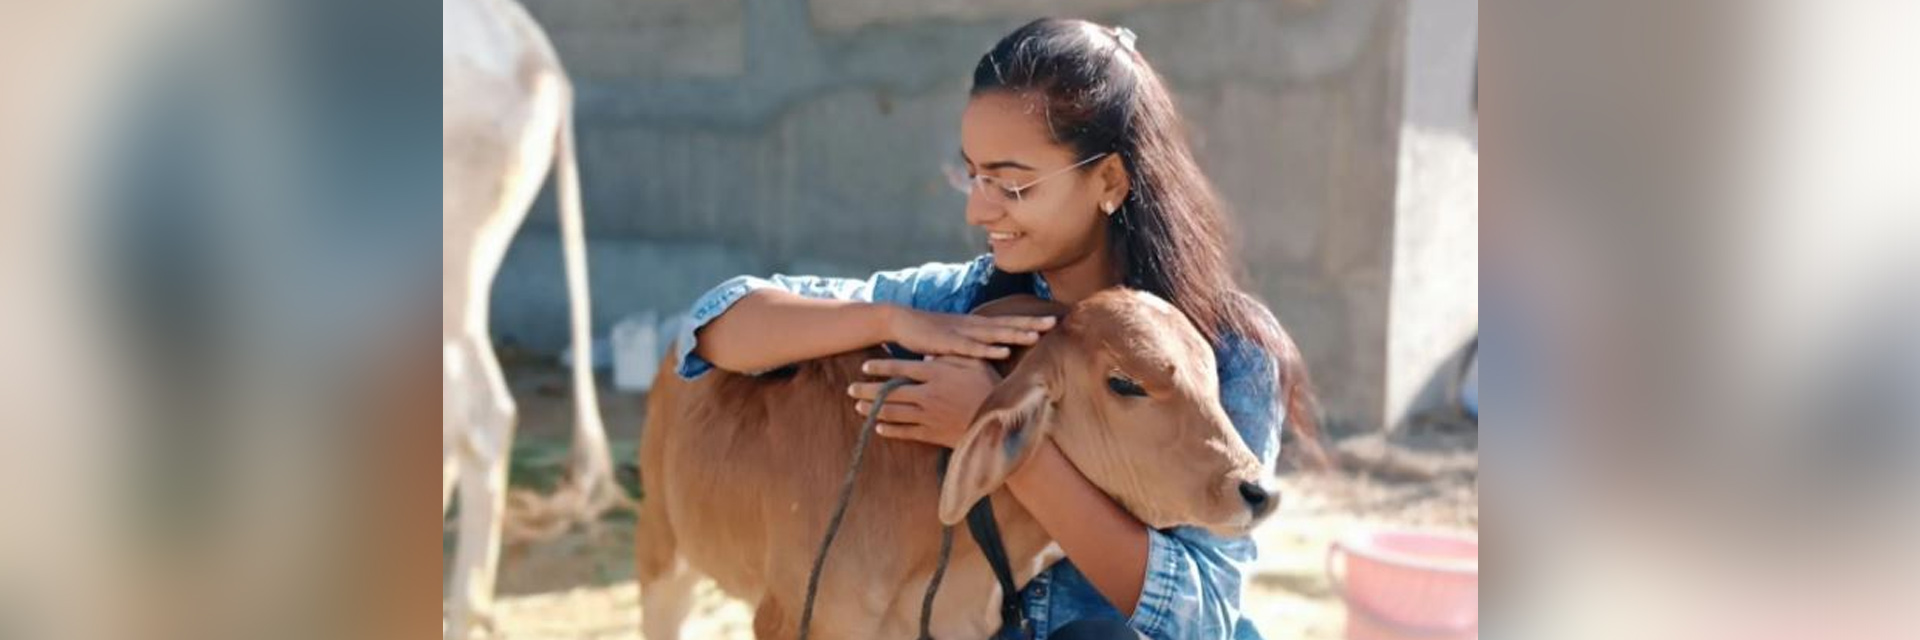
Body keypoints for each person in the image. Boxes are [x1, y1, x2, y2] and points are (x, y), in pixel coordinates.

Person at [673, 17, 1319, 640]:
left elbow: (1203, 621)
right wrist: (894, 319)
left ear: (1110, 181)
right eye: (973, 176)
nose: (980, 208)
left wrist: (1009, 443)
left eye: (1013, 186)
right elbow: (713, 327)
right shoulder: (966, 308)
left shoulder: (1230, 350)